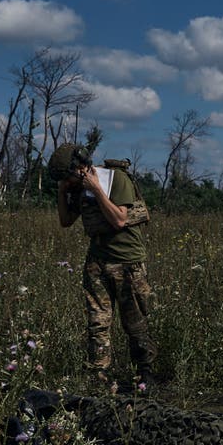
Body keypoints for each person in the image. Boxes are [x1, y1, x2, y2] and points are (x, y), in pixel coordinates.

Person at [49, 143, 157, 388]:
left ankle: (145, 374)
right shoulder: (77, 189)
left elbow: (119, 220)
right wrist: (62, 191)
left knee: (135, 322)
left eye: (69, 176)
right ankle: (99, 377)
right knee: (98, 323)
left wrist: (96, 189)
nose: (70, 181)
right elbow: (66, 221)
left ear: (82, 167)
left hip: (127, 261)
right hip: (97, 262)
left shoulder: (115, 179)